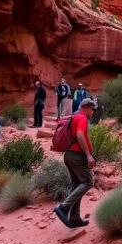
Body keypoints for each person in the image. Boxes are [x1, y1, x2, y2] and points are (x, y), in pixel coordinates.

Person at [54, 97, 96, 228]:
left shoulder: (75, 116)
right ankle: (64, 207)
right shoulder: (82, 117)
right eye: (92, 109)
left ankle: (74, 219)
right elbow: (79, 135)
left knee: (77, 185)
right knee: (88, 182)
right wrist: (88, 155)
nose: (93, 112)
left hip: (70, 155)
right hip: (77, 156)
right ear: (87, 108)